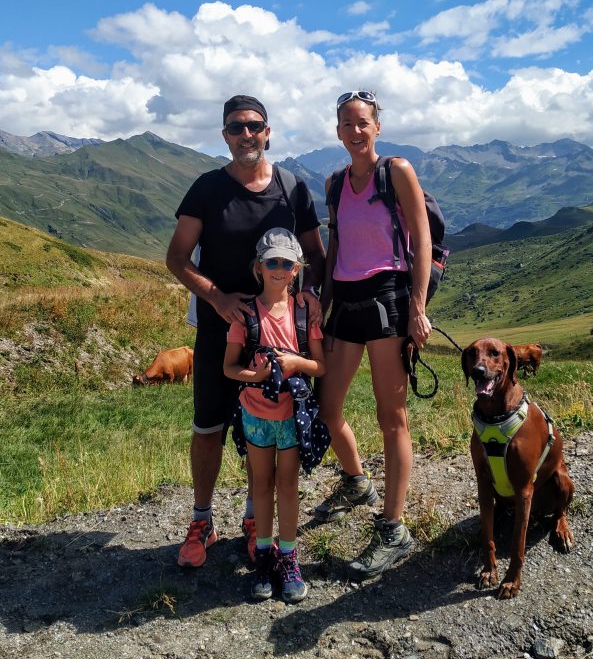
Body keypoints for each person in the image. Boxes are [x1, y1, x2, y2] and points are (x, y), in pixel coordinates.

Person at [166, 94, 324, 569]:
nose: (246, 135)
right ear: (224, 136)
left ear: (268, 131)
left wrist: (310, 296)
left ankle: (260, 522)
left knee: (273, 431)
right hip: (221, 330)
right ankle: (202, 521)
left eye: (254, 126)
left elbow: (316, 256)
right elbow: (176, 258)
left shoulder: (292, 188)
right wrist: (216, 297)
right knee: (209, 427)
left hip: (279, 338)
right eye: (236, 128)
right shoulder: (207, 188)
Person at [315, 89, 432, 580]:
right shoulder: (334, 183)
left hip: (388, 299)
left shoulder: (397, 171)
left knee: (392, 417)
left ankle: (393, 528)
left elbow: (422, 236)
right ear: (338, 132)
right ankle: (357, 481)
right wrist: (321, 304)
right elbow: (336, 241)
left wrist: (418, 307)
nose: (355, 131)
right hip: (345, 300)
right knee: (328, 406)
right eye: (347, 124)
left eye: (363, 122)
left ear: (376, 127)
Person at [223, 227, 326, 602]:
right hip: (256, 414)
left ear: (297, 269)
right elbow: (229, 368)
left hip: (291, 417)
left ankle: (288, 555)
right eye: (272, 263)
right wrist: (261, 375)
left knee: (288, 486)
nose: (279, 269)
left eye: (286, 263)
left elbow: (320, 366)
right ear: (259, 268)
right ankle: (264, 557)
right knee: (261, 485)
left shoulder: (304, 313)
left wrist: (296, 362)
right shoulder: (245, 315)